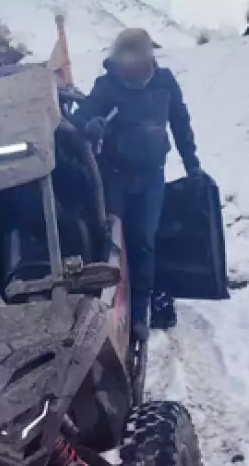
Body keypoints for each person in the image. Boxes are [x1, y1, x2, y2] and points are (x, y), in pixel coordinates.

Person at [71, 28, 201, 338]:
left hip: (151, 177)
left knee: (144, 240)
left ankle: (139, 313)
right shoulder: (106, 85)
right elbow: (80, 119)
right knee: (111, 241)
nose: (130, 62)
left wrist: (192, 165)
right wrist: (89, 126)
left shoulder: (164, 82)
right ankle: (107, 313)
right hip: (114, 177)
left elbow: (181, 123)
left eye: (136, 56)